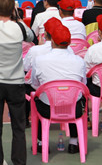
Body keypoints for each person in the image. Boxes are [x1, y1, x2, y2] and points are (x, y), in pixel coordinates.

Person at [0, 0, 34, 165]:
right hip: (16, 83)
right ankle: (19, 162)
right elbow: (31, 37)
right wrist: (17, 19)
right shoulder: (19, 27)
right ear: (13, 10)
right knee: (19, 127)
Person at [29, 24, 85, 154]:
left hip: (48, 109)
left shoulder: (40, 60)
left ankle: (41, 142)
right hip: (73, 109)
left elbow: (34, 84)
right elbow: (83, 85)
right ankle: (73, 142)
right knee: (74, 97)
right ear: (70, 42)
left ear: (52, 41)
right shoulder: (79, 61)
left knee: (35, 97)